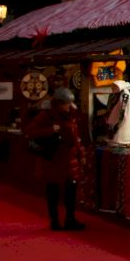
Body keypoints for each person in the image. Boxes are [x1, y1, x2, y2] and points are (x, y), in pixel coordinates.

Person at [24, 87, 87, 231]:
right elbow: (30, 132)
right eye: (66, 103)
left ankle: (70, 219)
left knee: (71, 190)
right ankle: (55, 220)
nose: (68, 106)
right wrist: (51, 130)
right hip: (54, 157)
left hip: (70, 157)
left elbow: (75, 136)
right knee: (53, 189)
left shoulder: (71, 114)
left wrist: (81, 154)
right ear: (59, 103)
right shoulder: (47, 115)